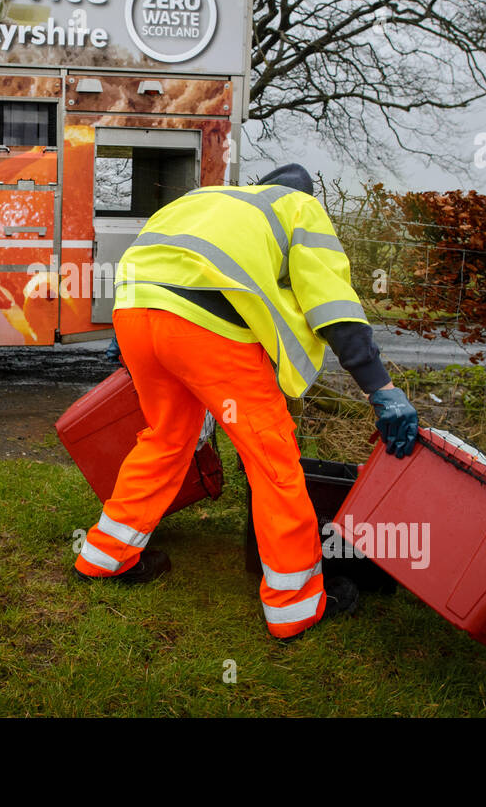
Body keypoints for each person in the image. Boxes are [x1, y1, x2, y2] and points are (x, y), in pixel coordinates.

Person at [73, 163, 419, 641]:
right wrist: (380, 387)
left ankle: (104, 556)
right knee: (272, 459)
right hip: (203, 328)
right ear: (307, 196)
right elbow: (333, 305)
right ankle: (295, 607)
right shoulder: (299, 208)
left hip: (134, 315)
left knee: (167, 439)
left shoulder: (210, 199)